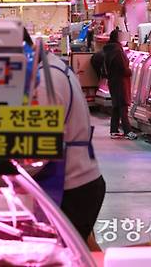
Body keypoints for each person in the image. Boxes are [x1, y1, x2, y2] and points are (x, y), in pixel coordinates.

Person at [35, 48, 105, 245]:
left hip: (70, 187)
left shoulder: (45, 82)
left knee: (63, 254)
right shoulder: (52, 67)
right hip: (79, 180)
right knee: (81, 252)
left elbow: (41, 147)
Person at [103, 29, 137, 140]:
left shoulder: (109, 49)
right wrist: (130, 71)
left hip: (113, 81)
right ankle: (128, 131)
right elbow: (122, 68)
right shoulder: (117, 51)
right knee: (123, 106)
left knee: (116, 106)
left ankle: (114, 130)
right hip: (121, 82)